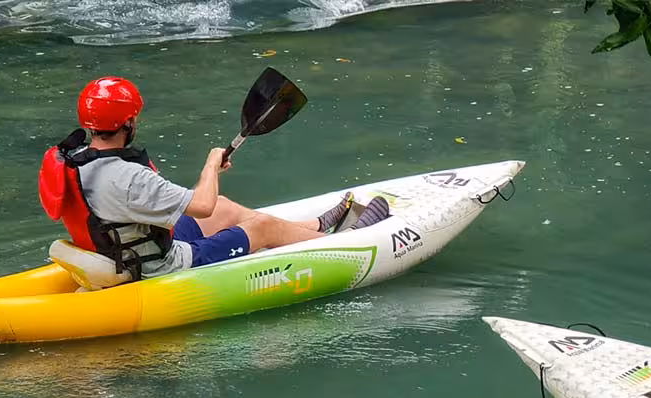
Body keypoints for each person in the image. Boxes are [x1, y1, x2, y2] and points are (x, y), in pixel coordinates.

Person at [38, 76, 392, 281]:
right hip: (157, 266)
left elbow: (202, 206)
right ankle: (344, 241)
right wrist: (211, 165)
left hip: (124, 250)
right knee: (261, 227)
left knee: (224, 206)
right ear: (128, 122)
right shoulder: (129, 176)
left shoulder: (76, 161)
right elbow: (201, 207)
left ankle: (314, 226)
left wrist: (211, 176)